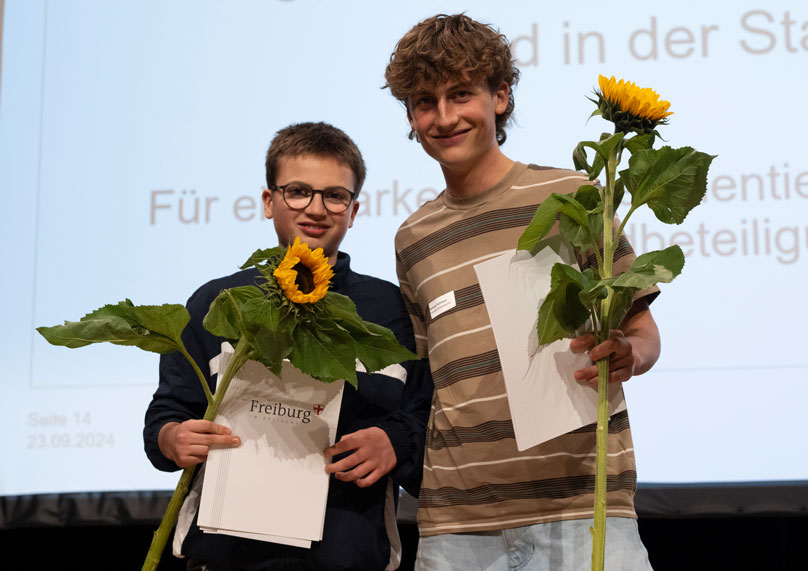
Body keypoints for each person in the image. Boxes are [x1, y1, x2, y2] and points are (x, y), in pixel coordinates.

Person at [384, 14, 660, 570]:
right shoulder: (413, 238)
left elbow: (641, 329)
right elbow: (427, 378)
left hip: (583, 508)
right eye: (424, 102)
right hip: (455, 524)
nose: (444, 117)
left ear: (500, 96)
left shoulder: (571, 195)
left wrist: (631, 355)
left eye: (461, 94)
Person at [144, 122, 433, 571]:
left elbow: (426, 414)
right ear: (268, 201)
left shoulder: (394, 311)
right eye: (298, 191)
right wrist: (172, 438)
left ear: (353, 210)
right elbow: (165, 416)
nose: (316, 208)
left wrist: (396, 440)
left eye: (335, 195)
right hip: (225, 558)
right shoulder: (217, 304)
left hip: (348, 556)